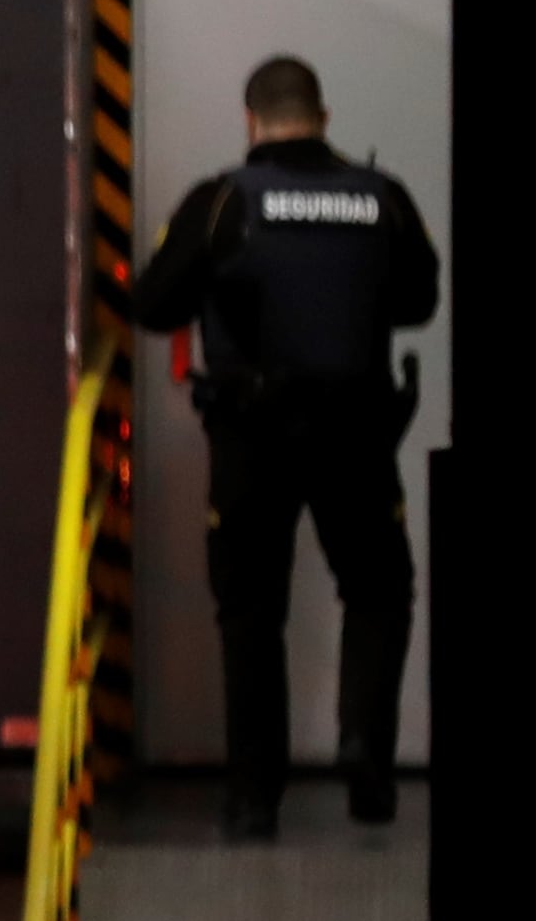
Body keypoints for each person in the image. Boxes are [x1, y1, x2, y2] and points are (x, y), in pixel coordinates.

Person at [131, 54, 442, 837]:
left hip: (252, 437)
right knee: (378, 590)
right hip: (358, 434)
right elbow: (418, 300)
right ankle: (366, 749)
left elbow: (153, 301)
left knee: (250, 611)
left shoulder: (222, 202)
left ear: (251, 119)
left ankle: (251, 797)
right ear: (324, 117)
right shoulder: (384, 197)